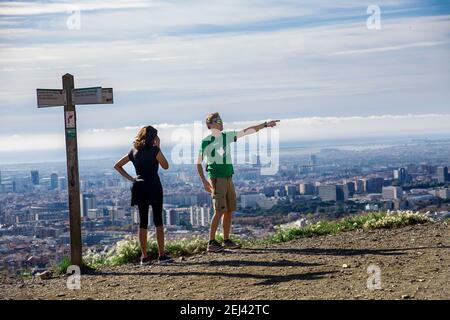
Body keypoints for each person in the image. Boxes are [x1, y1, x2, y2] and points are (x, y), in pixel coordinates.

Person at [196, 112, 280, 252]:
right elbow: (198, 162)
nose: (221, 122)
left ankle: (226, 240)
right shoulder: (206, 141)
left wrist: (265, 124)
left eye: (221, 120)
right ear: (210, 125)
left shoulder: (226, 136)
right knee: (219, 210)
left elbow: (247, 131)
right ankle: (211, 242)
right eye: (217, 120)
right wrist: (204, 181)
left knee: (229, 210)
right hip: (217, 178)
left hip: (229, 177)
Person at [114, 125, 173, 264]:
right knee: (158, 220)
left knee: (143, 222)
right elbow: (166, 165)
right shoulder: (154, 150)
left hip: (139, 186)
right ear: (153, 137)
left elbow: (117, 165)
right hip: (154, 185)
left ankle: (144, 257)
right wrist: (159, 147)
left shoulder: (134, 150)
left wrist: (132, 178)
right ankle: (161, 255)